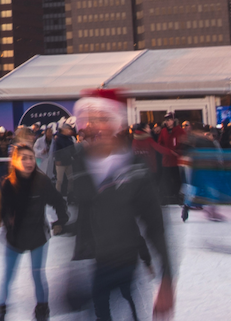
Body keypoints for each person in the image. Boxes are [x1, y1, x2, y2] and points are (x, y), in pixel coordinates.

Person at [67, 89, 174, 321]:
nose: (97, 127)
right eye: (92, 120)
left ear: (117, 124)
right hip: (88, 268)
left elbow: (155, 225)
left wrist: (166, 279)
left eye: (104, 119)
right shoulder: (80, 162)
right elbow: (83, 215)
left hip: (124, 265)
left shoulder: (135, 168)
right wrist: (72, 272)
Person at [0, 143, 68, 321]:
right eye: (23, 158)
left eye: (31, 158)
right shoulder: (8, 183)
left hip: (37, 236)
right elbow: (2, 209)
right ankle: (0, 310)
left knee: (37, 275)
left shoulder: (41, 182)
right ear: (15, 161)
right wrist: (6, 221)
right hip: (15, 238)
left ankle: (42, 310)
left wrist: (61, 221)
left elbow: (58, 201)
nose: (28, 162)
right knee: (7, 276)